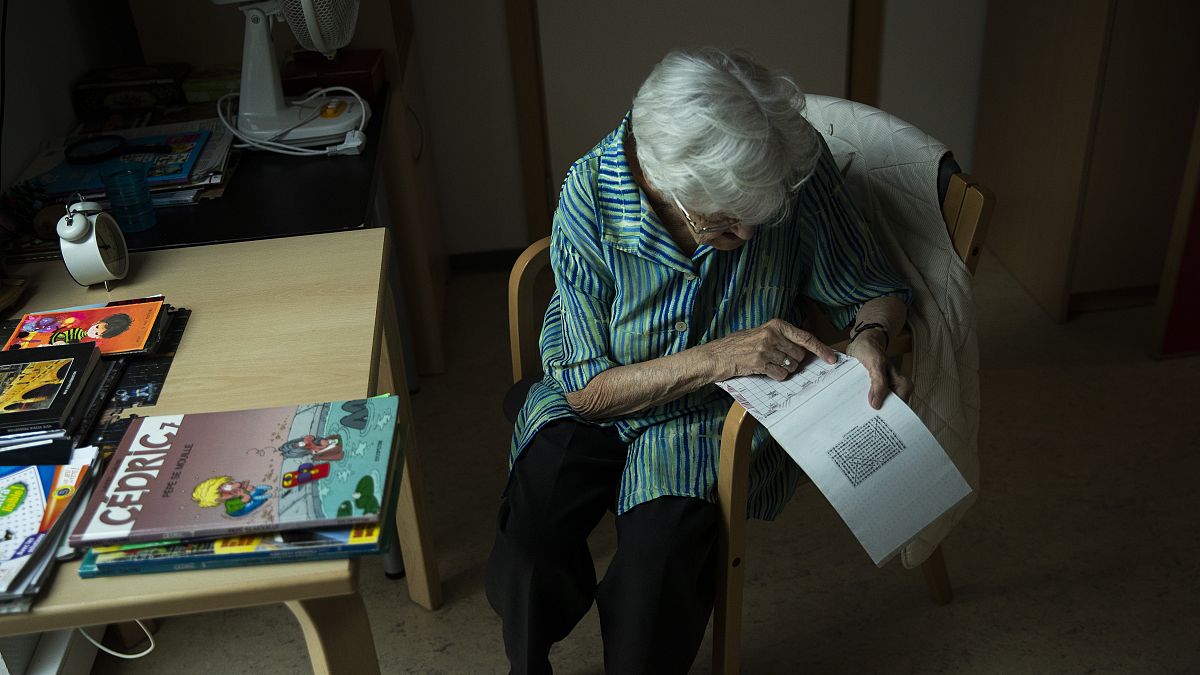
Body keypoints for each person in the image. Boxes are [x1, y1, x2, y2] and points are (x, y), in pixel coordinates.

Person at [486, 47, 913, 675]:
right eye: (729, 224)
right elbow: (585, 392)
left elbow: (869, 283)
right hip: (600, 387)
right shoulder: (591, 194)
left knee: (660, 571)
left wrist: (873, 332)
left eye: (760, 219)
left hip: (712, 417)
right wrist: (720, 354)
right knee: (535, 528)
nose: (748, 236)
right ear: (669, 186)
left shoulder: (789, 170)